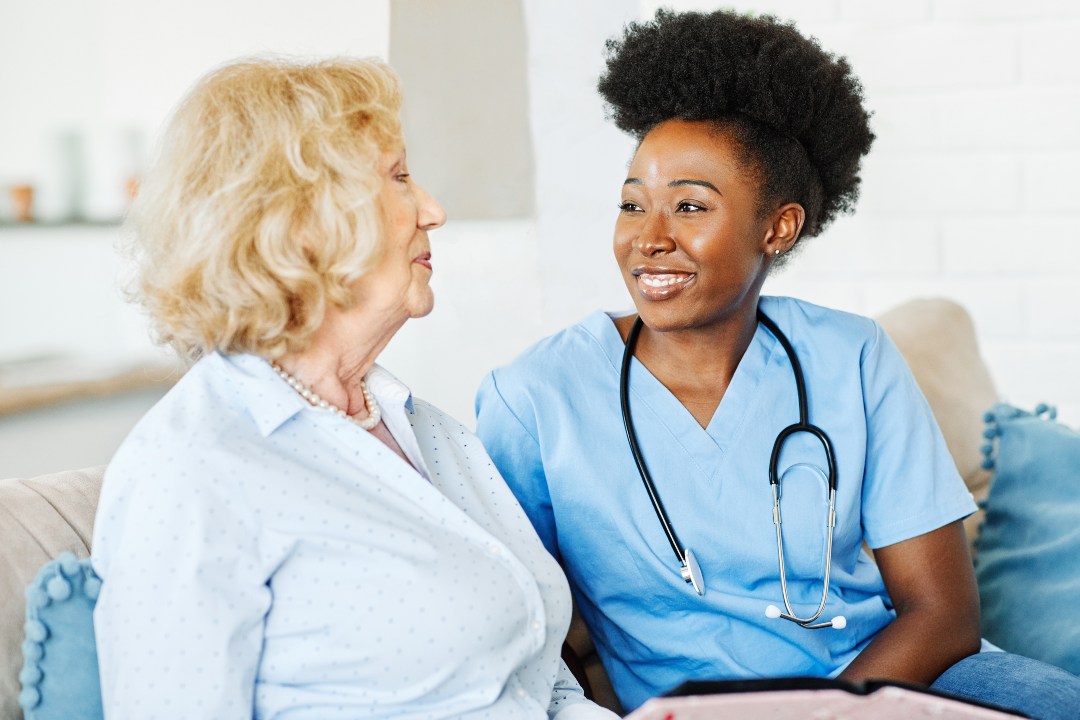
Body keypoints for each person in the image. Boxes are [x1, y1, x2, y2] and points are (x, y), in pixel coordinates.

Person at [474, 9, 1080, 719]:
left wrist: (819, 713)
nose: (649, 239)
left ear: (778, 226)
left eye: (690, 207)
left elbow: (943, 612)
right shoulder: (536, 397)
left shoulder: (852, 357)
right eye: (632, 205)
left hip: (900, 682)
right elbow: (512, 624)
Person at [90, 57, 618, 720]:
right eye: (399, 177)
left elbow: (536, 679)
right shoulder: (193, 467)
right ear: (301, 223)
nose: (434, 209)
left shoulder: (421, 426)